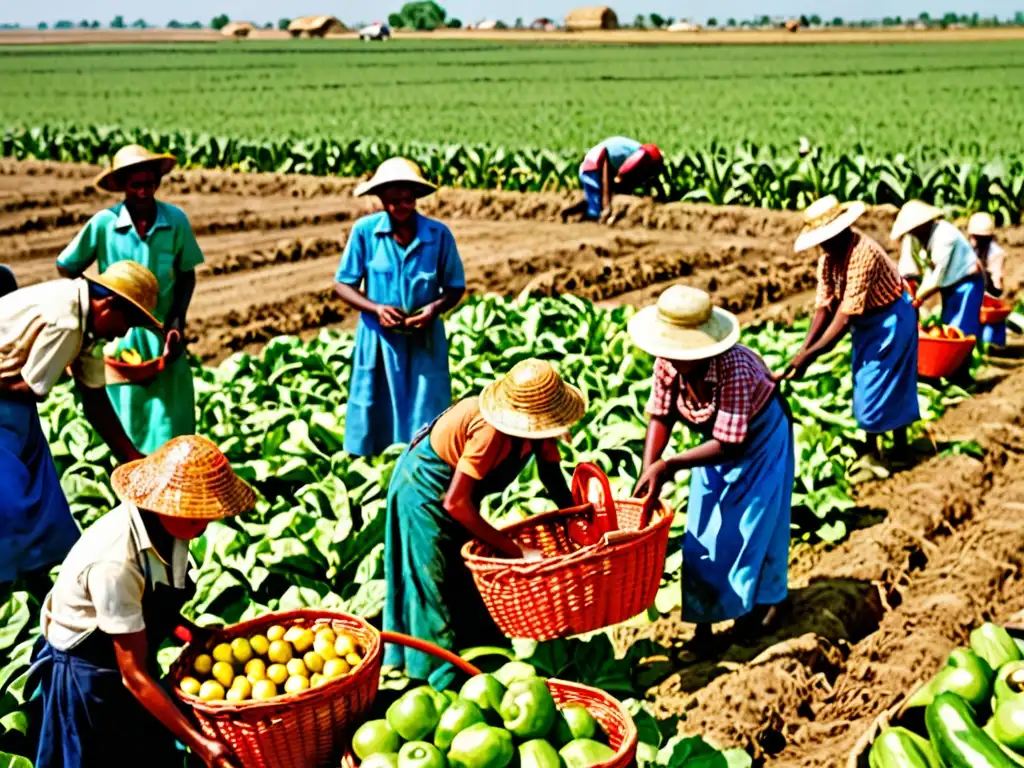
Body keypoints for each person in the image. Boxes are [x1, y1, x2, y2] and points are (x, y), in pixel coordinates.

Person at [31, 435, 250, 768]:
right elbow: (132, 675)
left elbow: (150, 607)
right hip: (88, 672)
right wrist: (203, 745)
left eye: (208, 514)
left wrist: (192, 633)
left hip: (127, 656)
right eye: (195, 516)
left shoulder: (174, 527)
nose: (204, 524)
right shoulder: (115, 562)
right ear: (163, 503)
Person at [384, 358, 583, 688]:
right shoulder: (491, 430)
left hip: (460, 497)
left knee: (466, 583)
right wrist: (516, 549)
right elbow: (455, 503)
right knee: (434, 586)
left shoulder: (540, 431)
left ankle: (479, 668)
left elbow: (552, 475)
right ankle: (436, 685)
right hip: (422, 490)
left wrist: (577, 521)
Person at [629, 286, 793, 657]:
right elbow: (661, 414)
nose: (672, 357)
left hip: (760, 439)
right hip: (710, 446)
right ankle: (703, 626)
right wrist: (648, 468)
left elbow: (731, 443)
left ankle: (752, 612)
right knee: (702, 533)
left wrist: (669, 465)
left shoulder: (735, 367)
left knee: (752, 527)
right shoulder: (667, 362)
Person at [0, 261, 162, 587]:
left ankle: (36, 579)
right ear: (108, 303)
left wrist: (134, 459)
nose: (125, 333)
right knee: (11, 501)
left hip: (17, 408)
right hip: (9, 400)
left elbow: (95, 399)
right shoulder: (66, 320)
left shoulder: (86, 325)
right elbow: (32, 387)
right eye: (127, 321)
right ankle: (9, 579)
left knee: (44, 498)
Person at [57, 144, 204, 455]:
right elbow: (66, 265)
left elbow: (187, 275)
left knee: (169, 425)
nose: (143, 191)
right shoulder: (104, 224)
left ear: (157, 183)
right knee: (125, 422)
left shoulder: (175, 221)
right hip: (119, 338)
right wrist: (93, 305)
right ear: (123, 186)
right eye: (136, 185)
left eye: (149, 183)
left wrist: (178, 319)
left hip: (164, 338)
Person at [334, 157, 466, 457]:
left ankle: (420, 466)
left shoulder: (438, 235)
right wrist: (376, 309)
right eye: (393, 201)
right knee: (373, 406)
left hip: (424, 341)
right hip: (379, 340)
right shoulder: (365, 232)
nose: (401, 207)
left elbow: (455, 287)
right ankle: (368, 464)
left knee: (426, 407)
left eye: (407, 200)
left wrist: (434, 309)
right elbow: (343, 284)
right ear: (381, 200)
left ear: (416, 199)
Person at [777, 196, 919, 464]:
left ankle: (892, 449)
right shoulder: (828, 260)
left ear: (841, 231)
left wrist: (811, 355)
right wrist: (803, 349)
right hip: (867, 323)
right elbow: (824, 307)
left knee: (891, 381)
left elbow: (843, 317)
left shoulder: (862, 254)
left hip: (892, 319)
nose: (822, 245)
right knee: (865, 379)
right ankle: (875, 447)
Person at [892, 200, 984, 342]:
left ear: (923, 224)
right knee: (948, 325)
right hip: (949, 285)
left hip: (967, 282)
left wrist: (918, 298)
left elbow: (937, 275)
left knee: (961, 329)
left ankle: (963, 361)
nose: (911, 233)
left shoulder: (945, 235)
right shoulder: (918, 238)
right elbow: (911, 266)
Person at [560, 137, 664, 223]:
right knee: (595, 212)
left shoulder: (638, 154)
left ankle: (568, 212)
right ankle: (582, 227)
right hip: (592, 166)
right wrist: (606, 206)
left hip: (597, 165)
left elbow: (649, 178)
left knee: (595, 201)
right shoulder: (638, 157)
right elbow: (616, 174)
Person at [967, 212, 1009, 347]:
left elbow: (997, 288)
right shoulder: (969, 249)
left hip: (989, 300)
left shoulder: (996, 254)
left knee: (989, 338)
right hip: (975, 296)